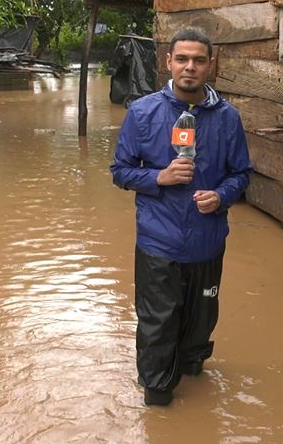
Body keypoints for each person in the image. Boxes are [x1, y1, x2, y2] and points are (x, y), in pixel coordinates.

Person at [110, 27, 252, 406]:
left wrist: (220, 196)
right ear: (168, 62)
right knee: (158, 324)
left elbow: (241, 174)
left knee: (201, 318)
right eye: (183, 59)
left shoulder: (228, 118)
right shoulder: (142, 113)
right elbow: (120, 171)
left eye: (199, 60)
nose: (190, 67)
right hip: (159, 243)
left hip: (207, 242)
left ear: (211, 66)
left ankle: (191, 363)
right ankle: (157, 392)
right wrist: (160, 176)